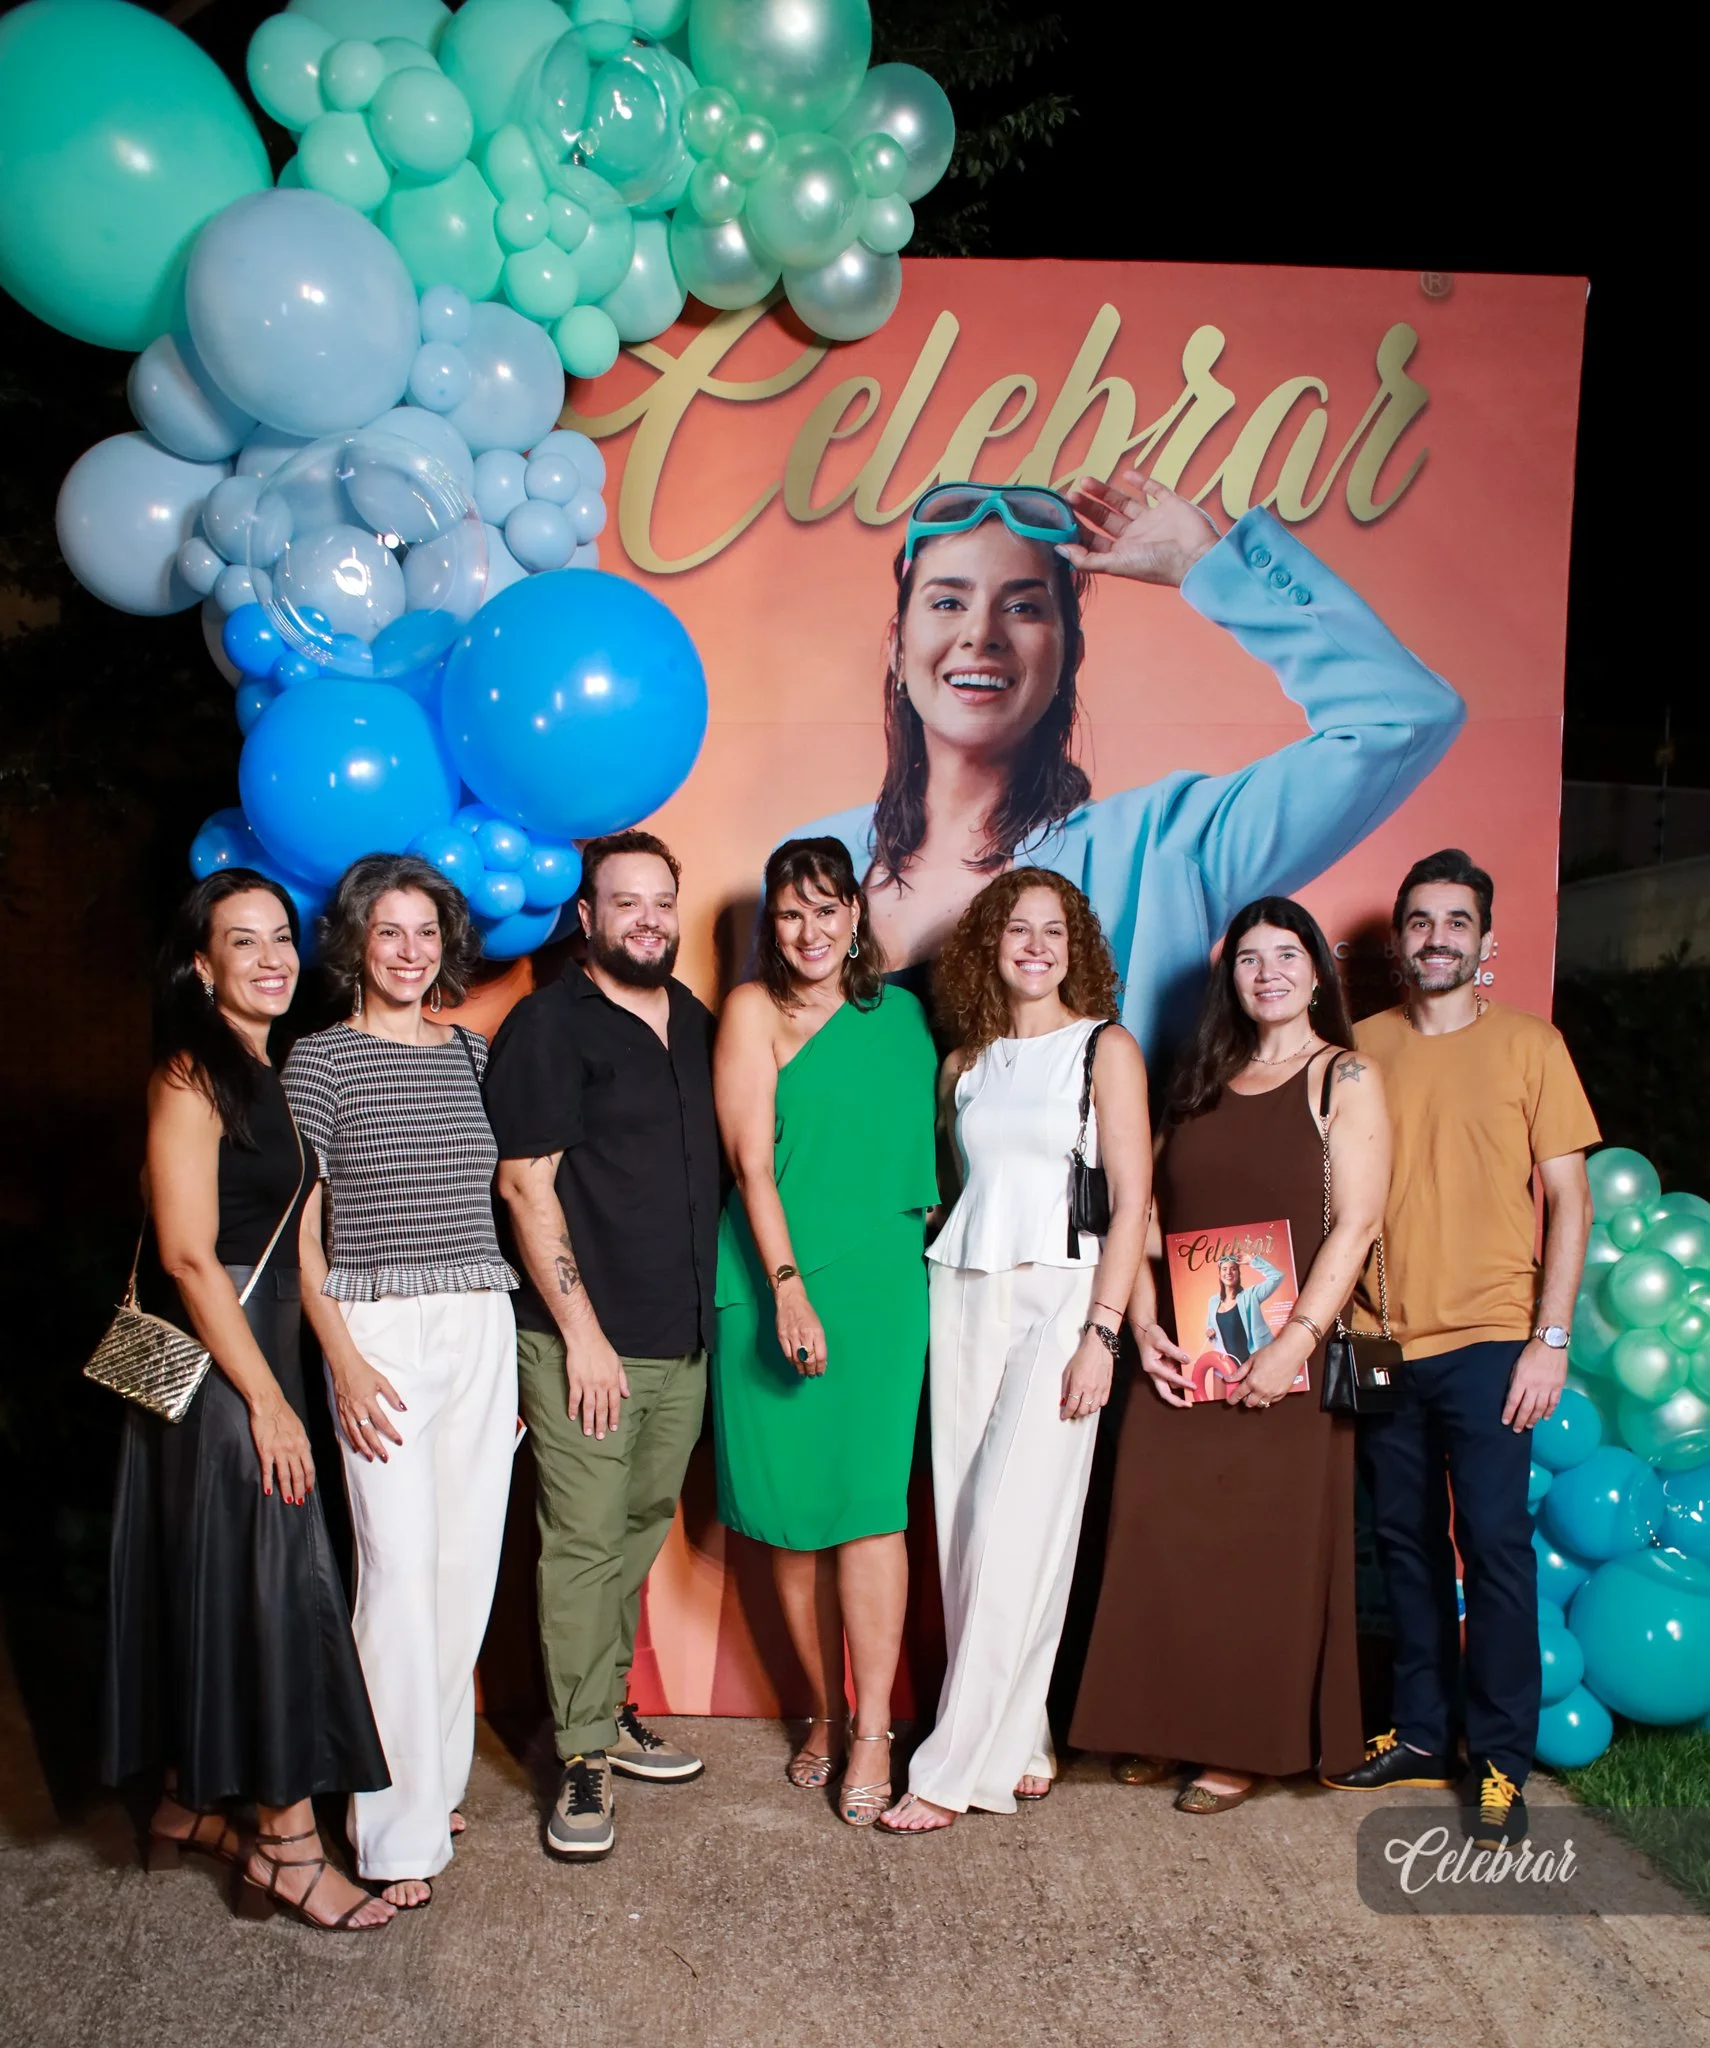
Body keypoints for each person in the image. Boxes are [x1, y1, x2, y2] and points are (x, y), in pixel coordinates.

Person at [789, 472, 1465, 1067]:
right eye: (946, 602)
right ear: (897, 646)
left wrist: (1209, 568)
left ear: (1069, 655)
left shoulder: (1163, 848)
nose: (981, 633)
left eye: (1023, 607)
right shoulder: (817, 863)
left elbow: (1401, 718)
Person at [102, 870, 393, 1933]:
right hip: (215, 1374)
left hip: (263, 1360)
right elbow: (187, 1253)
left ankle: (187, 1803)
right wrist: (268, 1401)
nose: (272, 958)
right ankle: (285, 1843)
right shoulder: (191, 1073)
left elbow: (302, 1250)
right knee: (277, 1591)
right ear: (201, 964)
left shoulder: (271, 1073)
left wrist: (339, 1363)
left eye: (281, 938)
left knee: (232, 1583)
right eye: (243, 941)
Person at [1071, 897, 1389, 1812]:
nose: (1268, 972)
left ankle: (1240, 1746)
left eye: (1286, 954)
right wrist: (1142, 1327)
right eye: (1249, 958)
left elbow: (1358, 1222)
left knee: (1260, 1555)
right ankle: (1160, 1725)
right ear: (1231, 979)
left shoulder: (1345, 1077)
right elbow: (1142, 1208)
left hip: (1284, 1357)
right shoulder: (1197, 1076)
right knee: (1159, 1535)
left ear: (1317, 971)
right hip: (1184, 1351)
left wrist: (1295, 1345)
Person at [1322, 850, 1598, 1850]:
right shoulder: (1356, 1049)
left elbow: (1569, 1199)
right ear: (1398, 942)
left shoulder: (1531, 1045)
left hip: (1490, 1339)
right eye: (1420, 921)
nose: (1437, 937)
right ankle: (1421, 1733)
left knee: (1493, 1548)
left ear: (1486, 942)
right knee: (1401, 1544)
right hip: (1379, 1338)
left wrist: (1549, 1341)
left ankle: (1500, 1763)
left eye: (1456, 921)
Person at [878, 870, 1151, 1835]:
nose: (1036, 946)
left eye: (1054, 930)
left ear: (1077, 948)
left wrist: (1103, 1333)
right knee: (964, 1529)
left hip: (1064, 1298)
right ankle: (1023, 1734)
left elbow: (1133, 1202)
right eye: (1017, 929)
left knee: (1014, 1520)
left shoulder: (1105, 1049)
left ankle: (951, 1769)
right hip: (963, 1289)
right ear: (988, 945)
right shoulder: (965, 1063)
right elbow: (960, 1191)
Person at [283, 854, 519, 1911]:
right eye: (390, 931)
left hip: (480, 1321)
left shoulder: (472, 1054)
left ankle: (433, 1785)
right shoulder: (320, 1061)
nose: (411, 951)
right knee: (396, 1574)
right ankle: (389, 1832)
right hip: (377, 1327)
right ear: (356, 943)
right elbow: (301, 1232)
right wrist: (340, 1355)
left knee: (465, 1571)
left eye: (427, 931)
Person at [485, 831, 719, 1862]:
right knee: (582, 1544)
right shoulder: (548, 1025)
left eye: (661, 901)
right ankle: (581, 1750)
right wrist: (582, 1335)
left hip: (683, 1337)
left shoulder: (696, 1022)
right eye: (626, 902)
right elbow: (524, 1185)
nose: (648, 920)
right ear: (585, 916)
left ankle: (606, 1709)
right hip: (585, 1343)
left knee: (635, 1529)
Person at [712, 839, 939, 1825]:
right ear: (773, 922)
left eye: (826, 907)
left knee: (871, 1509)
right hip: (777, 1280)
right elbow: (751, 1166)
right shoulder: (752, 1011)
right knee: (795, 1517)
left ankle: (876, 1728)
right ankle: (823, 1708)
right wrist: (789, 1290)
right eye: (790, 912)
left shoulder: (904, 1016)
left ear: (854, 912)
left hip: (884, 1290)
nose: (810, 930)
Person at [1206, 1249, 1284, 1363]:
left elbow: (1277, 1276)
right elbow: (1211, 1327)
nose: (1228, 1272)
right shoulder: (1213, 1301)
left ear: (1238, 1273)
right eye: (1224, 1269)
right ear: (1219, 1274)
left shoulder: (1251, 1295)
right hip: (1229, 1365)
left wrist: (1252, 1260)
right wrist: (1209, 1332)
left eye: (1233, 1269)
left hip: (1257, 1359)